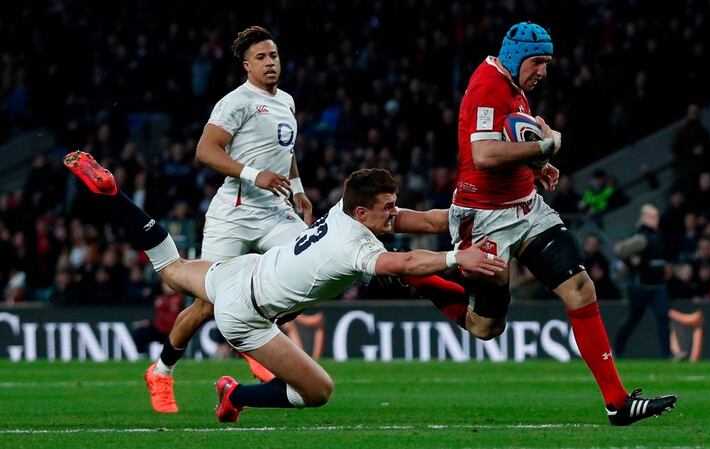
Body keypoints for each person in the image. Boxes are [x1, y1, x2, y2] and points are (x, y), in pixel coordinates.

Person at [64, 151, 506, 422]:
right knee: (318, 392)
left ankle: (113, 195)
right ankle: (234, 393)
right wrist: (456, 257)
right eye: (387, 208)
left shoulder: (342, 212)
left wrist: (482, 215)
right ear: (361, 214)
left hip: (243, 270)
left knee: (171, 267)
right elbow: (407, 260)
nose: (394, 213)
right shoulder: (355, 246)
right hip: (248, 314)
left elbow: (423, 225)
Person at [434, 21, 676, 425]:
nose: (544, 71)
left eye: (546, 63)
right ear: (515, 57)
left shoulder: (515, 89)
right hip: (486, 218)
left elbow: (511, 148)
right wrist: (545, 145)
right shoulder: (488, 86)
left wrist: (538, 165)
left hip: (527, 209)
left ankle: (617, 402)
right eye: (539, 62)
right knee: (485, 327)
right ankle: (418, 274)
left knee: (581, 287)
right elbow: (485, 156)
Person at [145, 25, 314, 413]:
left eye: (273, 56)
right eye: (261, 58)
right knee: (205, 306)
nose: (270, 63)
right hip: (235, 213)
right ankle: (161, 371)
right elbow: (206, 150)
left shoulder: (286, 100)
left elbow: (284, 151)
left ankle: (251, 336)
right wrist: (256, 176)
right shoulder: (235, 102)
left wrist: (298, 187)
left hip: (276, 212)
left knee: (306, 275)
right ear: (246, 65)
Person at [614, 204, 671, 358]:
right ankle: (617, 349)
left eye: (656, 216)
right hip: (641, 286)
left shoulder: (659, 235)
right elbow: (620, 251)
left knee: (663, 318)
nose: (655, 220)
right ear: (644, 218)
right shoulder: (639, 236)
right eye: (652, 217)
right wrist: (631, 262)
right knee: (633, 318)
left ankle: (668, 354)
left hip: (658, 285)